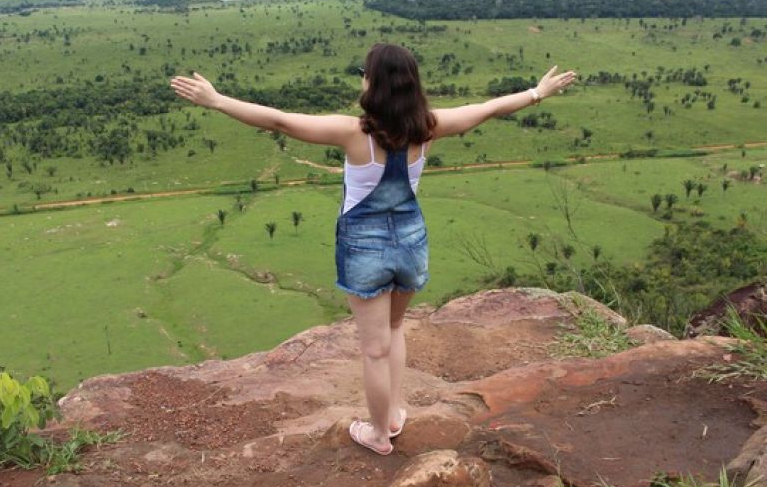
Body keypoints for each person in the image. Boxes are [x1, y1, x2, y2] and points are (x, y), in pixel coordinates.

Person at [171, 43, 575, 455]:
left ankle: (380, 434)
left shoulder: (353, 133)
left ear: (373, 84)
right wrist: (537, 92)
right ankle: (394, 413)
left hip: (364, 248)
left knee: (373, 350)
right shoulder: (430, 127)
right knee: (395, 330)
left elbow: (279, 121)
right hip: (411, 242)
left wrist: (217, 100)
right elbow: (487, 108)